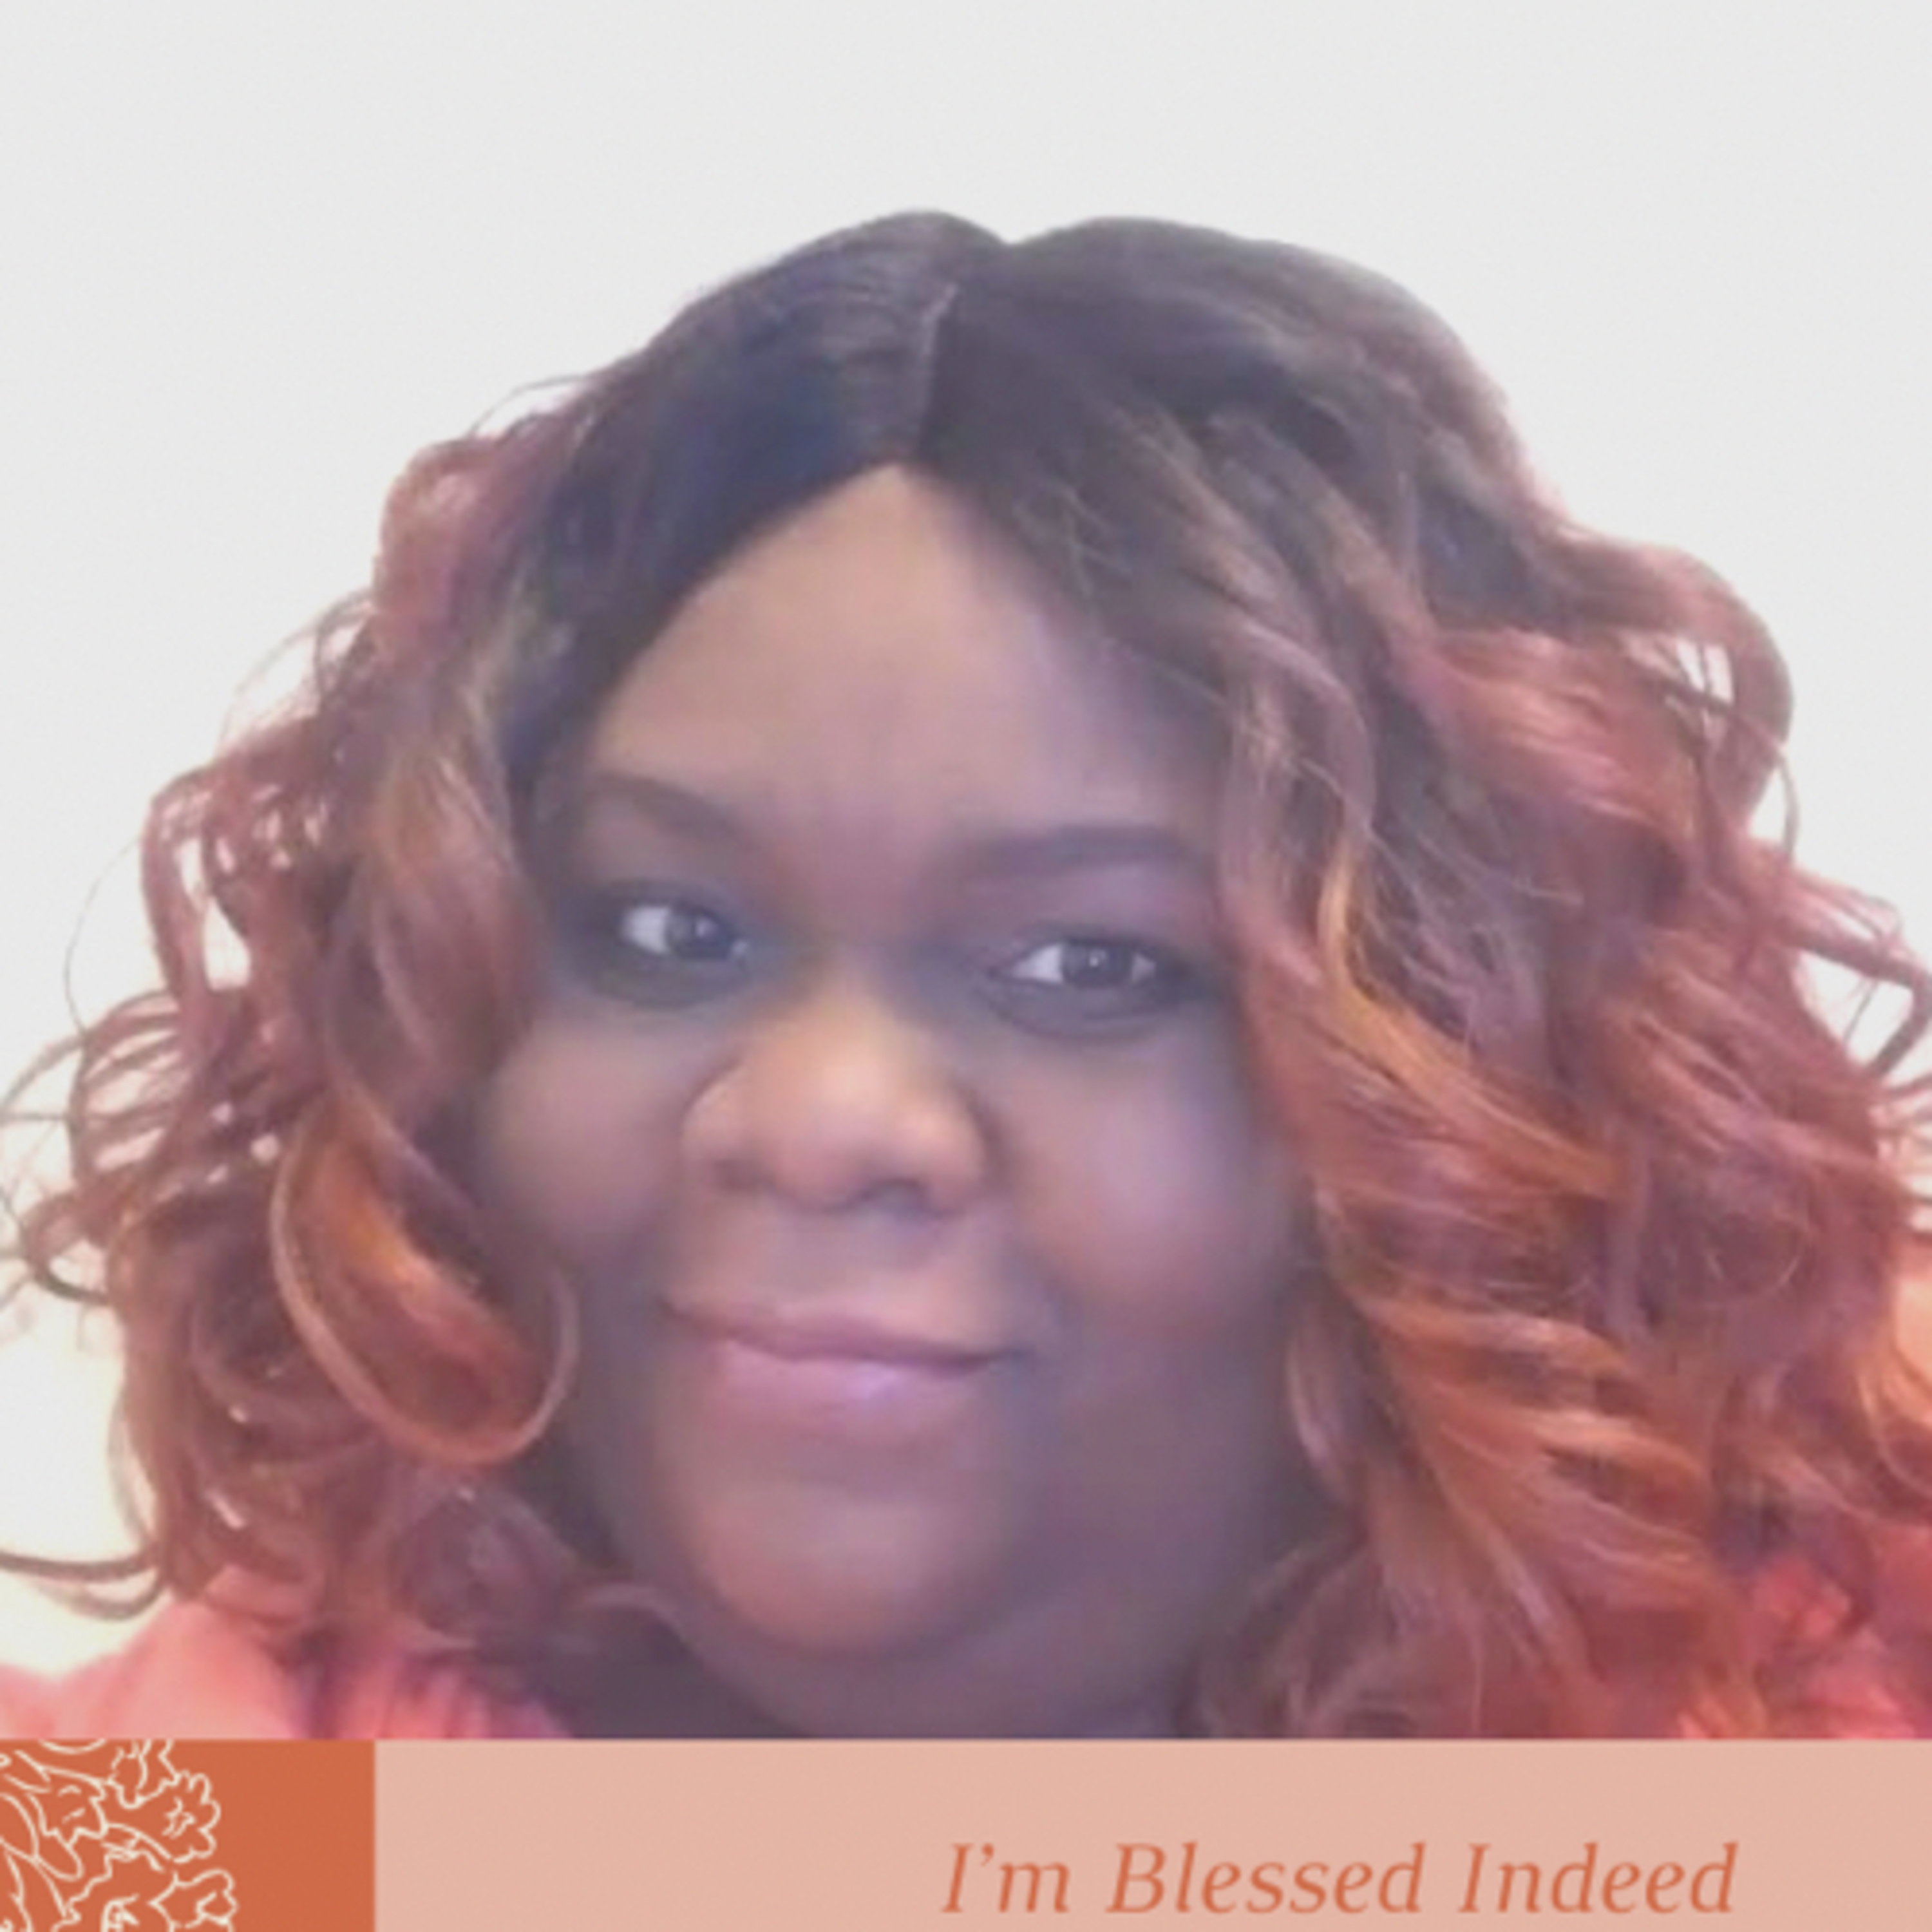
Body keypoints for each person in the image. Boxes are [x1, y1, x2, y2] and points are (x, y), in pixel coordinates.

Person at [1, 211, 1929, 1739]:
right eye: (672, 932)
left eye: (1090, 962)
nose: (819, 1119)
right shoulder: (149, 1842)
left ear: (1483, 1095)